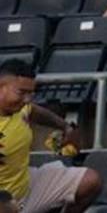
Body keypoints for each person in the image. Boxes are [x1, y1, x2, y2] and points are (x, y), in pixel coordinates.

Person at [0, 59, 101, 213]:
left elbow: (33, 110)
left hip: (26, 185)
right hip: (5, 202)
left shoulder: (19, 107)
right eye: (21, 93)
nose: (27, 99)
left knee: (91, 181)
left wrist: (66, 127)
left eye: (31, 93)